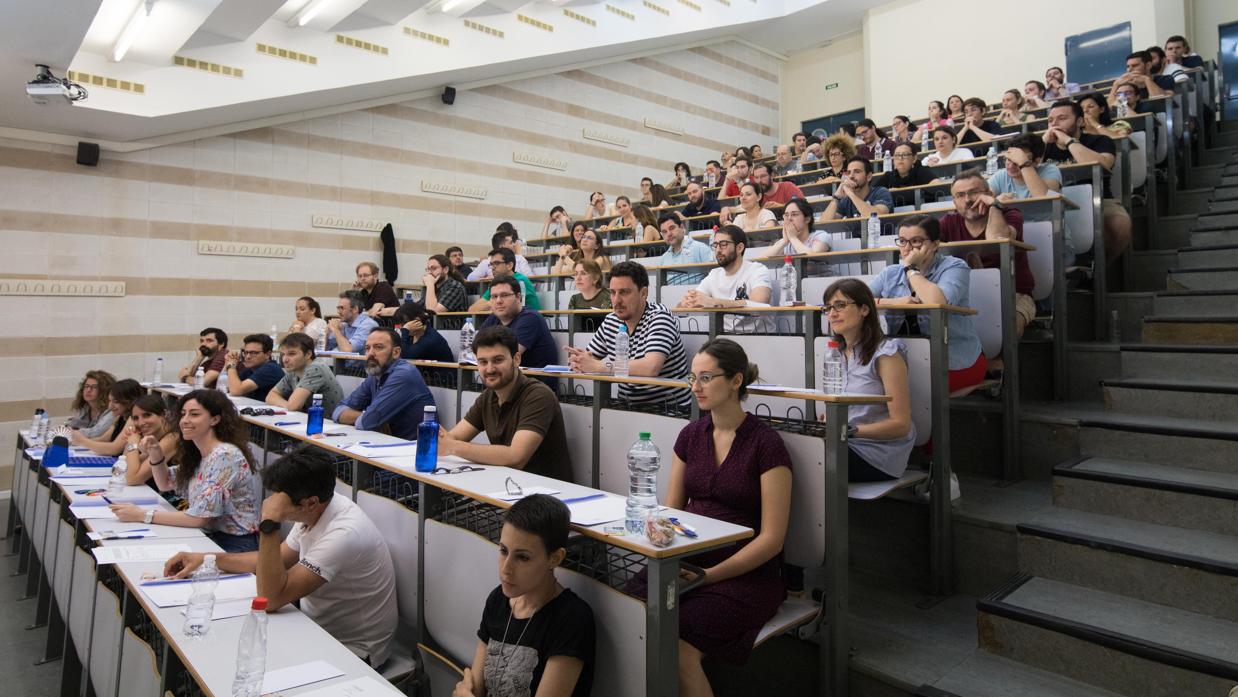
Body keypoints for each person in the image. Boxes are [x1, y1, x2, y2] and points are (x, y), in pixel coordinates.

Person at [163, 444, 398, 667]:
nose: (272, 502)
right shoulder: (317, 506)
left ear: (310, 503)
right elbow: (277, 560)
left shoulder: (344, 534)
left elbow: (271, 598)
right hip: (313, 628)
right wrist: (206, 559)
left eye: (279, 500)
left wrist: (270, 522)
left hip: (354, 650)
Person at [665, 339, 793, 694]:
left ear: (736, 381)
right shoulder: (690, 435)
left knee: (675, 646)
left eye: (706, 378)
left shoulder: (766, 444)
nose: (696, 387)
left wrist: (708, 577)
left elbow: (772, 539)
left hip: (747, 575)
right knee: (628, 610)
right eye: (693, 378)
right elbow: (671, 513)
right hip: (690, 562)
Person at [454, 494, 595, 697]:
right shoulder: (498, 600)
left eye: (522, 557)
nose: (506, 568)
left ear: (555, 558)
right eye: (503, 551)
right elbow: (475, 687)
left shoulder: (572, 618)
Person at [109, 389, 259, 552]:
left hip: (234, 544)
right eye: (183, 414)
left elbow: (199, 518)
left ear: (214, 419)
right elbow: (165, 483)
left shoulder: (225, 455)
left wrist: (142, 515)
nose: (185, 420)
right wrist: (155, 451)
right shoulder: (201, 453)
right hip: (210, 536)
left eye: (194, 414)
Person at [868, 215, 987, 393]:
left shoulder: (955, 267)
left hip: (953, 360)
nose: (907, 248)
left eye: (916, 241)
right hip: (905, 359)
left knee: (897, 388)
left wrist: (911, 269)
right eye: (902, 241)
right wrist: (894, 302)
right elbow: (856, 300)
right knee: (871, 383)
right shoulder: (890, 273)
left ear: (935, 244)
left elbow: (936, 302)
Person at [439, 327, 574, 482]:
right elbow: (454, 437)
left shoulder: (539, 395)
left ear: (516, 359)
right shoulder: (488, 397)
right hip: (508, 484)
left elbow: (515, 457)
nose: (489, 369)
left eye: (498, 360)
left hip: (546, 493)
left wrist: (452, 446)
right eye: (483, 362)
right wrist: (440, 438)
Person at [820, 280, 916, 481]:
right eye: (828, 308)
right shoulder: (835, 354)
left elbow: (901, 424)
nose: (832, 314)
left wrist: (848, 430)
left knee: (805, 461)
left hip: (876, 454)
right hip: (844, 443)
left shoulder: (886, 355)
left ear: (864, 309)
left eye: (840, 305)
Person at [938, 171, 1036, 365]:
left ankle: (1000, 371)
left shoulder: (1010, 214)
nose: (967, 200)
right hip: (966, 295)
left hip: (1014, 294)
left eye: (974, 192)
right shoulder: (948, 222)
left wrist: (994, 206)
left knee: (1010, 324)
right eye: (960, 195)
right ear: (954, 201)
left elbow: (997, 239)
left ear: (988, 193)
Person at [565, 261, 689, 408]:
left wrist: (600, 367)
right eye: (612, 292)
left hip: (670, 408)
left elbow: (650, 367)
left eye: (624, 292)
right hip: (626, 406)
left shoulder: (660, 317)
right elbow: (590, 357)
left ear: (643, 293)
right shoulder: (612, 320)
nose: (616, 300)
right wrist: (579, 360)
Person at [1043, 100, 1131, 263]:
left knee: (1119, 224)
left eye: (1062, 118)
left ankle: (1099, 270)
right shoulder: (1044, 146)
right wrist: (1041, 145)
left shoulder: (1100, 141)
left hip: (1098, 200)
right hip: (1052, 201)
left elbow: (1104, 165)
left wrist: (1068, 141)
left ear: (1080, 121)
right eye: (1050, 120)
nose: (1054, 124)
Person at [332, 328, 434, 439]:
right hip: (387, 444)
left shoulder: (404, 374)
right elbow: (338, 411)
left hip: (415, 449)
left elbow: (365, 423)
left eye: (378, 347)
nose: (370, 353)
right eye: (367, 348)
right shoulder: (376, 373)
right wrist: (366, 417)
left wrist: (368, 419)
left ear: (396, 352)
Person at [987, 133, 1070, 262]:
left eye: (1017, 160)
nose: (1011, 165)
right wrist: (996, 200)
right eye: (1009, 159)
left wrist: (1024, 164)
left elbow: (1043, 197)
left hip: (1053, 243)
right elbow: (982, 198)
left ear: (1037, 160)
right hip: (1018, 245)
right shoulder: (1001, 176)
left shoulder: (1050, 170)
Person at [681, 226, 774, 332]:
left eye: (723, 244)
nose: (718, 250)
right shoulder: (714, 274)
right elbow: (691, 302)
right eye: (715, 245)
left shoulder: (758, 270)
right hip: (723, 338)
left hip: (758, 338)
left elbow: (759, 304)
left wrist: (714, 303)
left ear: (739, 248)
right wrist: (687, 302)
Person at [479, 277, 559, 374]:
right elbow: (478, 348)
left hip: (533, 385)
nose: (498, 301)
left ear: (518, 297)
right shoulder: (494, 317)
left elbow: (506, 355)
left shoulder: (531, 318)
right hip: (506, 380)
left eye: (504, 295)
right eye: (494, 296)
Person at [267, 332, 345, 416]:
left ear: (308, 354)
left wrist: (289, 405)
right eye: (283, 354)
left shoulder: (316, 368)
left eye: (291, 354)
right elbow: (270, 396)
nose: (285, 359)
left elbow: (294, 406)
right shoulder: (294, 369)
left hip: (326, 424)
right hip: (307, 421)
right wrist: (287, 405)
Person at [72, 378, 144, 456]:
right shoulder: (119, 417)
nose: (110, 406)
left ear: (129, 401)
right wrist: (75, 442)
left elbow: (114, 449)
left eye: (116, 402)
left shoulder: (133, 419)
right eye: (110, 401)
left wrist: (82, 441)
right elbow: (103, 439)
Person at [122, 393, 180, 487]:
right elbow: (122, 469)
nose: (141, 422)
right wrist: (131, 441)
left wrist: (132, 443)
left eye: (147, 415)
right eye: (136, 418)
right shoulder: (149, 437)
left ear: (164, 414)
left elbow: (132, 479)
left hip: (173, 499)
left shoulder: (172, 438)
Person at [821, 156, 893, 222]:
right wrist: (836, 197)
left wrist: (851, 194)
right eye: (849, 172)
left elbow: (878, 216)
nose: (851, 176)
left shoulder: (881, 192)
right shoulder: (846, 200)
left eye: (857, 172)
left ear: (869, 177)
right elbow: (824, 223)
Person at [472, 248, 542, 312]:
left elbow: (513, 311)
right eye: (491, 264)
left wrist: (491, 303)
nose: (493, 268)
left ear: (509, 265)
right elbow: (473, 309)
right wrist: (492, 302)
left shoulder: (520, 282)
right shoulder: (497, 283)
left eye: (497, 263)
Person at [874, 143, 940, 208]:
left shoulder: (921, 171)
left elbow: (937, 186)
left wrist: (900, 192)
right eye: (896, 155)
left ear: (914, 158)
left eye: (905, 155)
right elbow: (873, 193)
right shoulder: (888, 176)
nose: (900, 158)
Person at [222, 334, 284, 401]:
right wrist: (227, 362)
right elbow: (227, 388)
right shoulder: (249, 370)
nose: (248, 356)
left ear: (268, 354)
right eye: (246, 352)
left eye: (254, 353)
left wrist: (231, 365)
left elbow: (236, 391)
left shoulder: (271, 368)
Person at [764, 197, 830, 259]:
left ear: (807, 219)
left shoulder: (821, 236)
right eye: (786, 215)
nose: (789, 218)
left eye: (794, 214)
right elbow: (762, 259)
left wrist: (793, 238)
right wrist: (784, 242)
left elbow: (812, 256)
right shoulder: (786, 241)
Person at [659, 214, 713, 285]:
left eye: (672, 228)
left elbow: (714, 277)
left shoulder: (700, 248)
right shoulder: (663, 258)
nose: (669, 234)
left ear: (682, 227)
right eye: (664, 232)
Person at [469, 229, 535, 280]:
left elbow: (531, 279)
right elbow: (470, 277)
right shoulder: (486, 262)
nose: (514, 245)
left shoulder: (519, 258)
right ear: (502, 246)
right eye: (511, 243)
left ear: (510, 265)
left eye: (497, 263)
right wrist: (484, 279)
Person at [68, 370, 117, 440]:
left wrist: (69, 433)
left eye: (94, 387)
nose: (88, 390)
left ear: (105, 390)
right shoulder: (86, 407)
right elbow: (73, 425)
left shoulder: (112, 410)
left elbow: (97, 433)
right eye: (86, 386)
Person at [1108, 51, 1172, 101]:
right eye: (1128, 66)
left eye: (1135, 66)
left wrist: (1146, 80)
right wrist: (1116, 84)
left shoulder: (1165, 79)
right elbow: (1110, 108)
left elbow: (1162, 101)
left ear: (1148, 65)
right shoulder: (1126, 86)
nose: (1129, 70)